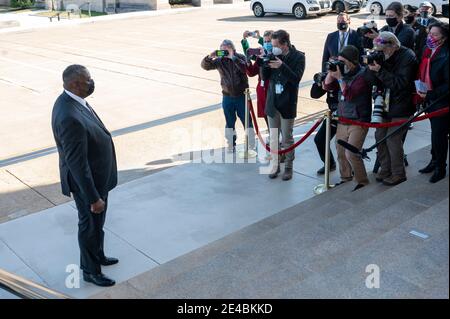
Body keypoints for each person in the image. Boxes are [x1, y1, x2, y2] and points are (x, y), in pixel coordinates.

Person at [51, 65, 118, 287]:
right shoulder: (68, 115)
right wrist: (93, 198)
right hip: (87, 185)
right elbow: (76, 163)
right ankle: (91, 271)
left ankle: (97, 255)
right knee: (89, 226)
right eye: (88, 80)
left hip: (97, 178)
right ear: (75, 84)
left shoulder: (75, 101)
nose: (92, 83)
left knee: (97, 224)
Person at [368, 32, 418, 186]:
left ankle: (398, 174)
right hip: (385, 104)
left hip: (402, 105)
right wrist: (372, 68)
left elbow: (400, 84)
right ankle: (385, 168)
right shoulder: (385, 56)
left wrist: (380, 71)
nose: (380, 53)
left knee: (393, 139)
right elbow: (374, 82)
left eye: (382, 50)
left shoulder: (407, 56)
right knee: (379, 136)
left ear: (393, 46)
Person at [323, 45, 375, 191]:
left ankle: (362, 181)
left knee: (351, 153)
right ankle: (345, 178)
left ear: (352, 61)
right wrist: (331, 71)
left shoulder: (363, 75)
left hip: (358, 121)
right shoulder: (343, 72)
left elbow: (350, 95)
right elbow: (327, 87)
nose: (341, 64)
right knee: (340, 152)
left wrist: (340, 78)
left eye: (343, 61)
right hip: (343, 119)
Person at [316, 12, 363, 175]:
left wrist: (343, 76)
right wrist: (327, 76)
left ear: (349, 21)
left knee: (347, 145)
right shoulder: (331, 37)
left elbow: (361, 58)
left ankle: (354, 171)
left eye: (343, 21)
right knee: (321, 139)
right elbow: (325, 58)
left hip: (350, 97)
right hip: (334, 96)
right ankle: (330, 164)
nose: (341, 23)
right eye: (338, 21)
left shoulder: (357, 36)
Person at [262, 30, 305, 181]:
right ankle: (275, 165)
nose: (272, 48)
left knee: (287, 137)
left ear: (284, 44)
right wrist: (264, 63)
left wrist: (281, 66)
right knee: (273, 137)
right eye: (271, 45)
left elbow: (296, 79)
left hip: (287, 103)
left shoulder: (299, 56)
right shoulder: (273, 54)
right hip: (272, 102)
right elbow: (264, 77)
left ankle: (288, 167)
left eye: (275, 45)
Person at [201, 40, 255, 153]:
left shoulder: (240, 57)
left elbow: (245, 69)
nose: (223, 53)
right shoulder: (220, 61)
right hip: (227, 96)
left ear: (232, 49)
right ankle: (231, 143)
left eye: (225, 50)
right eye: (222, 50)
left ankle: (250, 143)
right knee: (229, 122)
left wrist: (233, 58)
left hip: (242, 96)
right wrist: (209, 57)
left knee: (247, 121)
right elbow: (205, 66)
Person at [416, 21, 449, 183]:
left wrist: (429, 94)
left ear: (443, 38)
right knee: (434, 133)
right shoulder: (427, 49)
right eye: (430, 33)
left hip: (441, 102)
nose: (431, 37)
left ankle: (440, 167)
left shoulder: (447, 54)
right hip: (428, 99)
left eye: (435, 35)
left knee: (439, 135)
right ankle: (434, 160)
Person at [243, 30, 274, 128]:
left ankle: (277, 137)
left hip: (273, 91)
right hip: (262, 90)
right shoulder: (260, 57)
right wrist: (248, 61)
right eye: (265, 42)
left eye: (269, 41)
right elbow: (251, 72)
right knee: (265, 115)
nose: (267, 44)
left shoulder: (278, 55)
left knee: (274, 116)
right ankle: (271, 134)